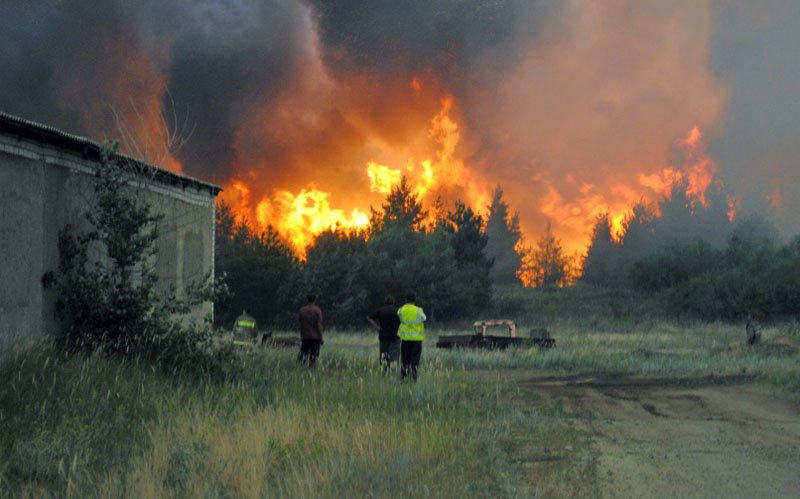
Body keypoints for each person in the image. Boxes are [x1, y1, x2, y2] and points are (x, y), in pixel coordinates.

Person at [367, 296, 401, 372]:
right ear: (393, 303)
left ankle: (384, 372)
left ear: (385, 303)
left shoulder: (381, 310)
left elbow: (369, 317)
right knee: (394, 357)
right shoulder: (398, 310)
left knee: (384, 357)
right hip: (395, 337)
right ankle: (393, 373)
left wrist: (377, 327)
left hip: (383, 337)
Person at [397, 293, 426, 381]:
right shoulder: (418, 310)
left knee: (404, 360)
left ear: (406, 300)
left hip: (405, 339)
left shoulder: (401, 310)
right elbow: (424, 318)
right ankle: (414, 378)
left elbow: (399, 316)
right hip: (416, 340)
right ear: (414, 300)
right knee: (415, 360)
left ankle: (403, 378)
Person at [298, 294, 324, 367]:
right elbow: (319, 325)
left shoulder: (302, 310)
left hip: (305, 336)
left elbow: (300, 324)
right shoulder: (317, 310)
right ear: (314, 300)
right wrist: (321, 337)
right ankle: (311, 369)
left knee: (303, 354)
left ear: (307, 299)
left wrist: (302, 334)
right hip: (315, 337)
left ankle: (300, 368)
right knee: (313, 356)